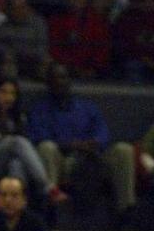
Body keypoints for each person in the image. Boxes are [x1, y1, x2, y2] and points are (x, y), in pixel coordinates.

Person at [28, 63, 136, 222]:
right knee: (46, 148)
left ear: (69, 80)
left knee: (123, 150)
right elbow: (39, 137)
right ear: (48, 83)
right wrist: (71, 144)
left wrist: (93, 144)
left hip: (91, 160)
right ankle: (50, 208)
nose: (59, 81)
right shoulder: (40, 109)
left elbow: (103, 134)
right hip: (62, 162)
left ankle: (126, 211)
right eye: (54, 78)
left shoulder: (87, 107)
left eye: (63, 77)